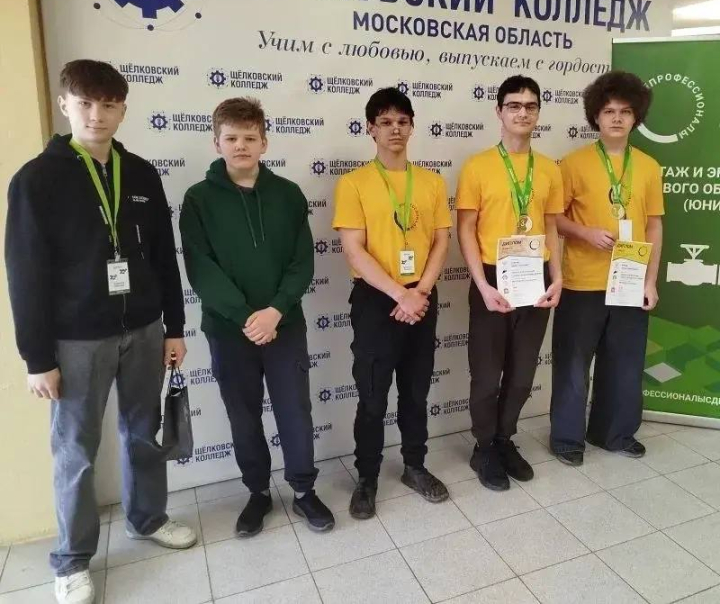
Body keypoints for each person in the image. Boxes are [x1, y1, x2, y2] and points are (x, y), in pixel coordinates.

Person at [5, 60, 196, 604]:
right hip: (75, 341)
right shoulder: (36, 179)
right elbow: (24, 274)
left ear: (123, 110)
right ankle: (71, 559)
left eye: (109, 105)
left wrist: (174, 326)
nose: (97, 115)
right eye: (85, 103)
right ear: (65, 105)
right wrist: (37, 358)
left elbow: (163, 258)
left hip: (144, 330)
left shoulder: (141, 174)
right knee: (76, 451)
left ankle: (147, 518)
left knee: (143, 433)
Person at [179, 97, 334, 535]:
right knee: (243, 415)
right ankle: (258, 493)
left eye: (250, 138)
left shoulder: (288, 194)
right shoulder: (198, 199)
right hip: (229, 330)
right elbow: (201, 268)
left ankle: (304, 490)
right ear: (217, 143)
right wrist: (248, 317)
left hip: (284, 326)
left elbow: (302, 262)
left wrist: (275, 311)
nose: (241, 146)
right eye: (231, 138)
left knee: (295, 411)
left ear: (264, 143)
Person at [332, 87, 451, 519]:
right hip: (376, 299)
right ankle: (367, 478)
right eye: (385, 122)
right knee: (372, 396)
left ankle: (415, 466)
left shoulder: (432, 182)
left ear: (412, 126)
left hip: (421, 296)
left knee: (415, 391)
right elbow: (354, 249)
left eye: (402, 121)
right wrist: (400, 294)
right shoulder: (354, 183)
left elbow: (441, 241)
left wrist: (420, 292)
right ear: (371, 129)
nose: (395, 129)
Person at [551, 70, 664, 466]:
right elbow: (554, 219)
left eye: (625, 111)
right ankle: (567, 438)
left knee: (625, 364)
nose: (617, 118)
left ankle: (614, 433)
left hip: (631, 282)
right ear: (595, 117)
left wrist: (651, 280)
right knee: (573, 364)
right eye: (609, 111)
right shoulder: (573, 164)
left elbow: (654, 224)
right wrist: (584, 232)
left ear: (637, 117)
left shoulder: (649, 166)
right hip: (582, 281)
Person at [456, 75, 563, 492]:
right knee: (487, 375)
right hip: (492, 278)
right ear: (499, 111)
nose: (523, 112)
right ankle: (483, 446)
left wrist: (558, 277)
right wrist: (481, 285)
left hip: (535, 276)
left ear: (538, 113)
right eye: (514, 105)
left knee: (521, 375)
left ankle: (505, 439)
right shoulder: (477, 166)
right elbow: (465, 229)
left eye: (530, 106)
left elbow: (551, 227)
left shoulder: (549, 168)